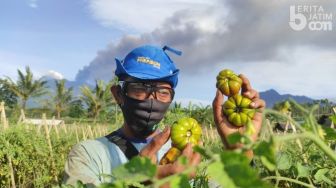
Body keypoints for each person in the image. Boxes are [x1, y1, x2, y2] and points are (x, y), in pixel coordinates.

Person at [63, 45, 265, 187]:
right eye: (139, 88)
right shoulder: (88, 155)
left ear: (171, 99)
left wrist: (240, 148)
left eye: (162, 91)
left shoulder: (188, 153)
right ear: (118, 94)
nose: (152, 99)